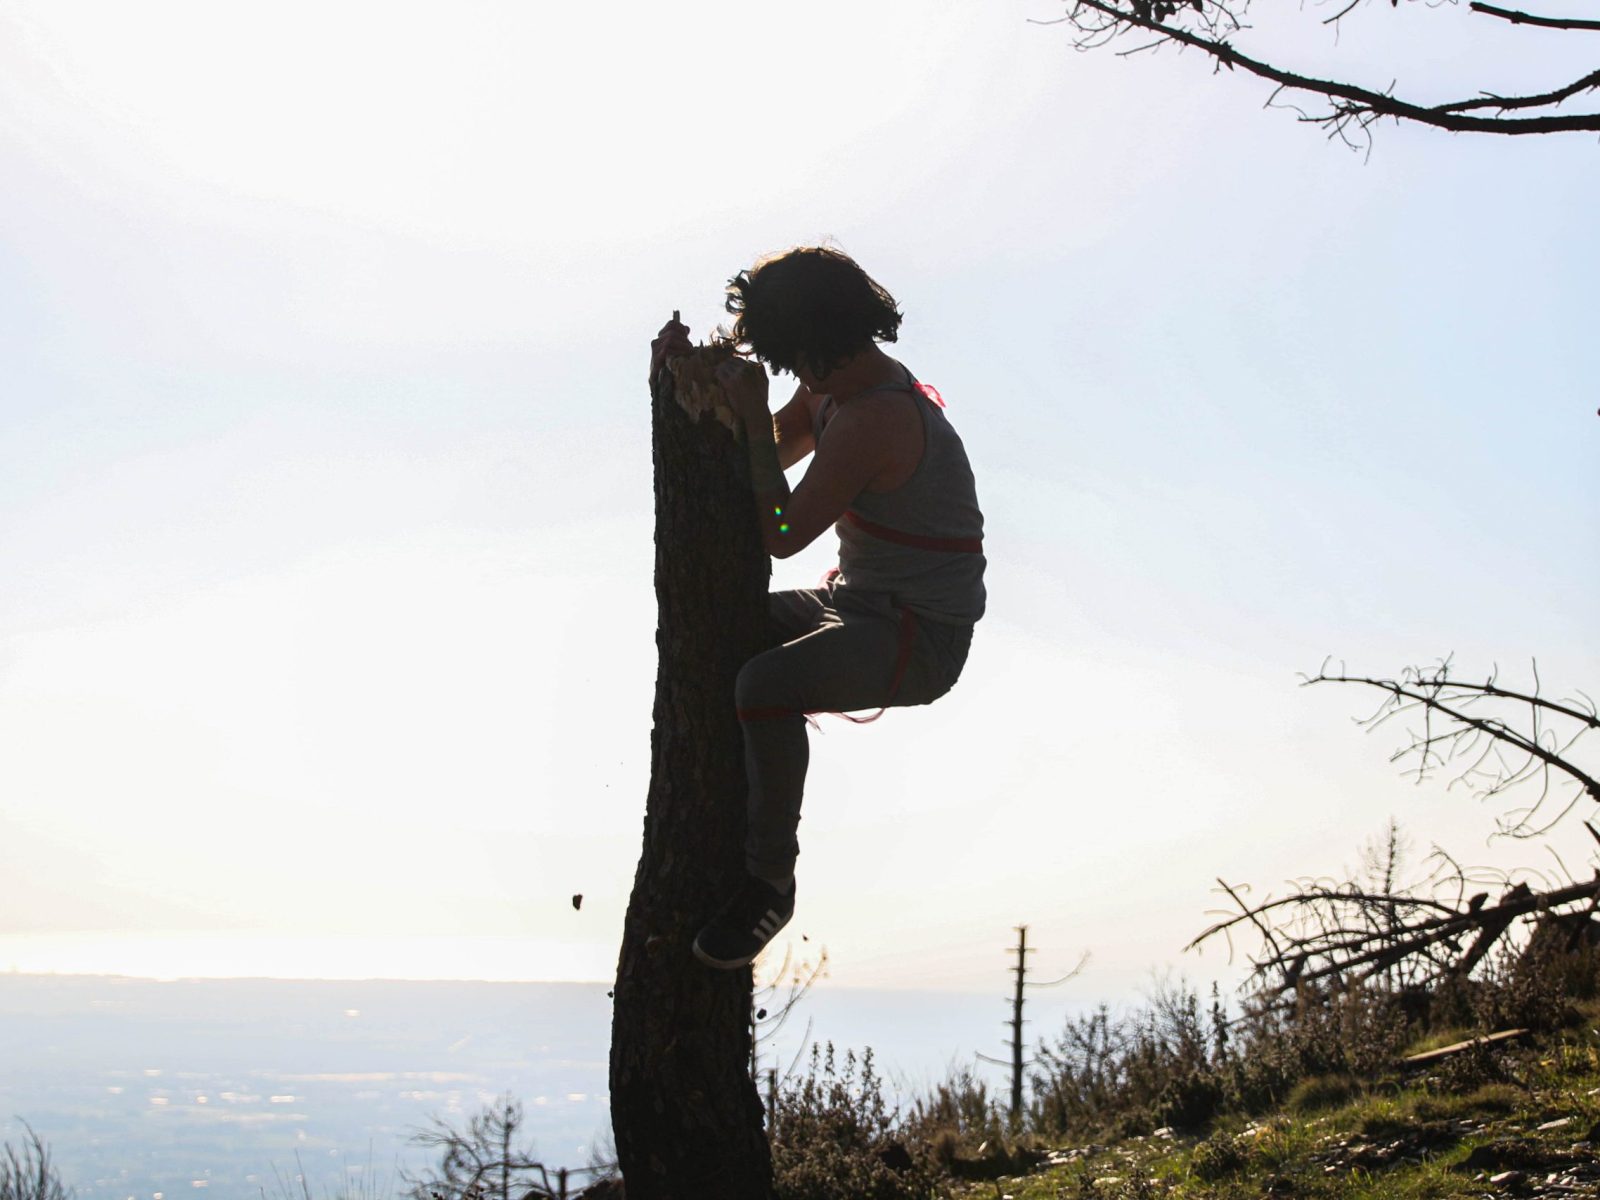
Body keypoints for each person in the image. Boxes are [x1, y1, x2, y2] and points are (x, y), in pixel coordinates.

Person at [648, 246, 986, 970]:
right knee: (725, 628)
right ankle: (727, 803)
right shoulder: (836, 389)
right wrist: (698, 393)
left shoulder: (875, 418)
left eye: (791, 357)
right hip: (861, 602)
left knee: (764, 686)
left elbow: (781, 532)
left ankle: (769, 884)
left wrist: (743, 409)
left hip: (916, 639)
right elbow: (773, 448)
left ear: (815, 342)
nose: (791, 374)